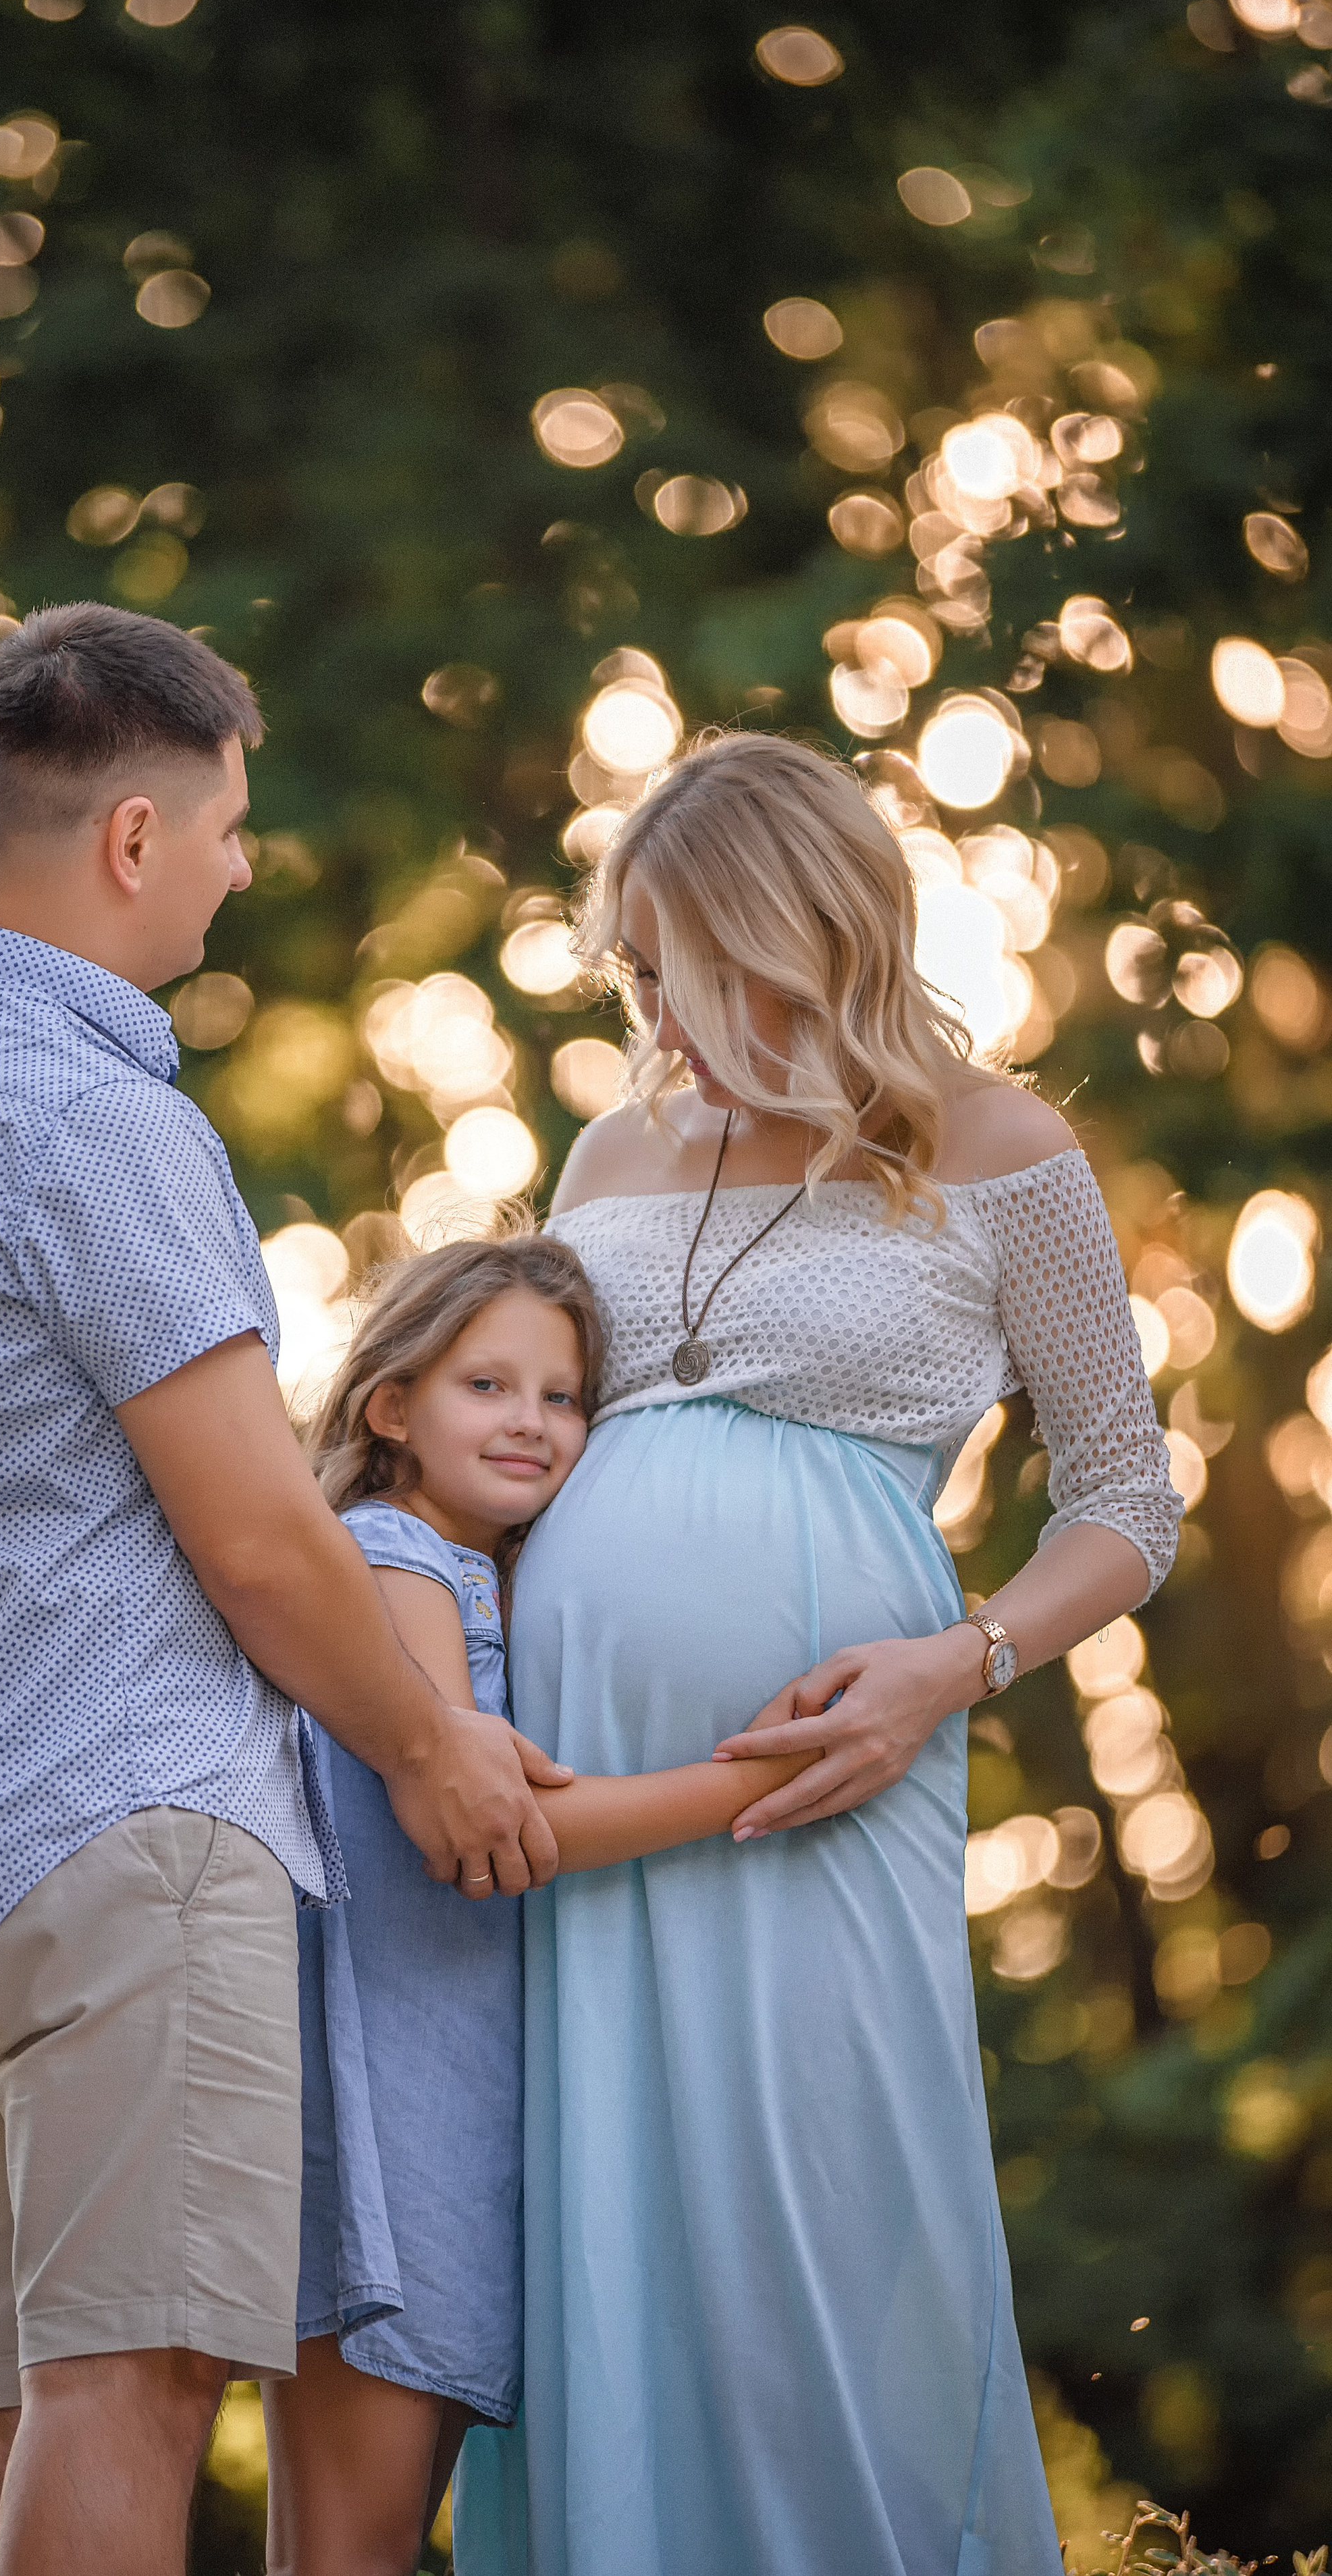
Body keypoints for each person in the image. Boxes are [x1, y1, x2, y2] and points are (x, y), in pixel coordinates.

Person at [0, 602, 568, 2576]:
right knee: (132, 2385)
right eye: (225, 824)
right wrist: (433, 1746)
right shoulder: (97, 1114)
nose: (239, 863)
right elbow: (253, 1528)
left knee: (13, 2404)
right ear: (133, 834)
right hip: (130, 1834)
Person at [451, 731, 1183, 2575]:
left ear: (789, 939)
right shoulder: (615, 1148)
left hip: (835, 1783)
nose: (653, 1019)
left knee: (827, 2236)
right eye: (630, 976)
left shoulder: (1003, 1149)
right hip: (586, 1803)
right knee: (607, 2224)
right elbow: (521, 1423)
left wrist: (970, 1660)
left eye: (672, 973)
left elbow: (1125, 1499)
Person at [263, 1232, 815, 2576]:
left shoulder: (477, 1571)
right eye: (487, 1386)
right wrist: (756, 1776)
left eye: (561, 1396)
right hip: (388, 2114)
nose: (531, 1422)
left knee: (365, 2541)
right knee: (354, 2545)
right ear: (391, 1407)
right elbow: (498, 1837)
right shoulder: (396, 1555)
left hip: (446, 2104)